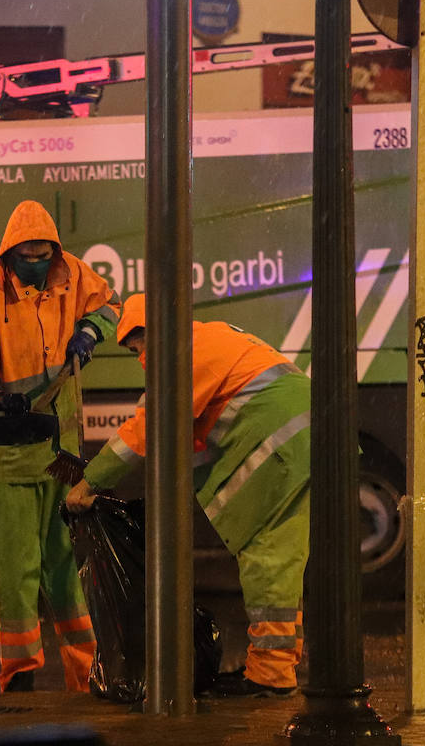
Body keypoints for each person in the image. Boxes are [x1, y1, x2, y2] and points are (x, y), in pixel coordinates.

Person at [64, 294, 311, 697]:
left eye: (137, 347)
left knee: (266, 559)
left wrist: (90, 481)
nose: (139, 357)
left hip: (280, 450)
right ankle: (274, 670)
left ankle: (271, 675)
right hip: (300, 442)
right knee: (280, 565)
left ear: (152, 333)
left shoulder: (183, 354)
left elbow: (148, 427)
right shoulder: (207, 338)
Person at [0, 199, 118, 693]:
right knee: (17, 570)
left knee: (67, 565)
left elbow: (111, 304)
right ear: (11, 255)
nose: (38, 263)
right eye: (28, 255)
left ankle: (85, 674)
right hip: (7, 456)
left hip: (58, 454)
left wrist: (90, 330)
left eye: (44, 254)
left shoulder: (73, 276)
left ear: (55, 252)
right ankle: (20, 675)